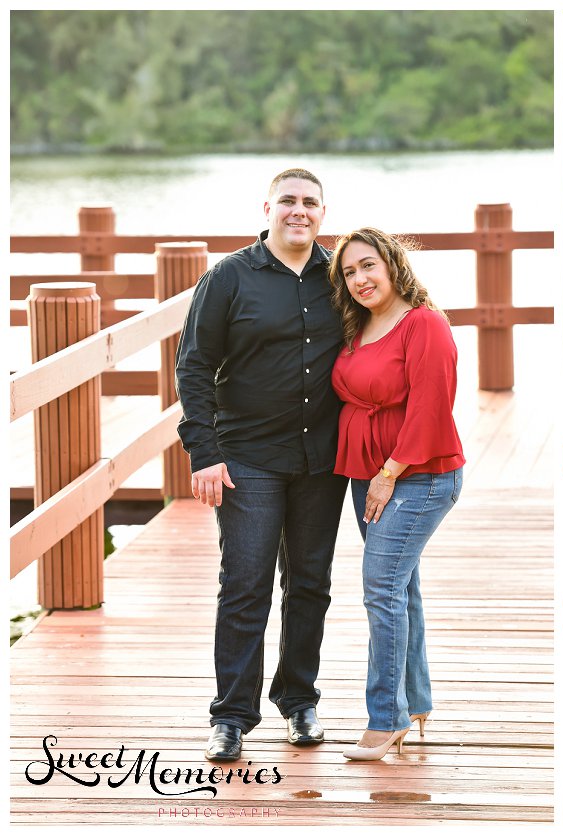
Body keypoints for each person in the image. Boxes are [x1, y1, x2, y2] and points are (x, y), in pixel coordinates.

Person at [178, 168, 345, 763]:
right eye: (288, 202)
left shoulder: (340, 276)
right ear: (268, 207)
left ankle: (299, 700)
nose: (299, 211)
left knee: (309, 583)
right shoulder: (229, 277)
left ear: (323, 213)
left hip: (323, 459)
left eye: (310, 203)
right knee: (244, 584)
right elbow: (194, 365)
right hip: (248, 455)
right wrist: (204, 450)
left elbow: (391, 323)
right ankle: (231, 716)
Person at [326, 227, 465, 761]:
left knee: (381, 588)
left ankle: (385, 720)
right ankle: (416, 701)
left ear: (392, 265)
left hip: (419, 477)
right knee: (401, 588)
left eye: (368, 266)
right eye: (349, 272)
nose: (360, 279)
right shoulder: (358, 325)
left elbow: (432, 408)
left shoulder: (423, 325)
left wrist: (388, 473)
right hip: (368, 473)